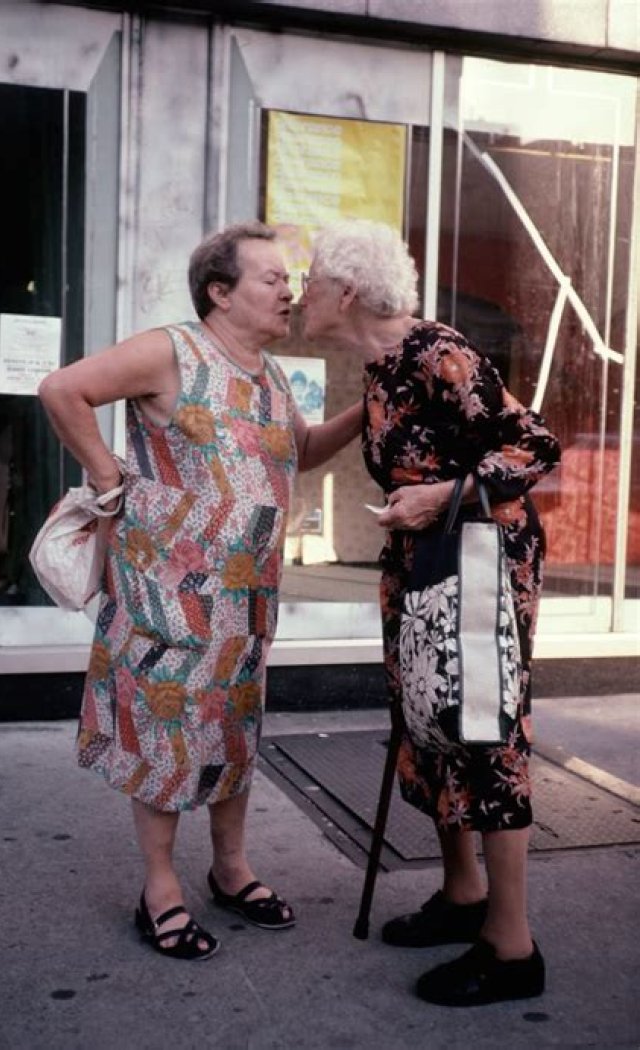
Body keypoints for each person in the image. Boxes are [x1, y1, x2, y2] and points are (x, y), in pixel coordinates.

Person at [38, 221, 362, 961]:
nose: (290, 291)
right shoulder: (171, 350)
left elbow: (301, 451)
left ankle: (230, 870)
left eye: (288, 280)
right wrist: (109, 479)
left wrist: (366, 411)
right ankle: (160, 890)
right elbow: (63, 390)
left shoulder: (271, 376)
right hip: (166, 597)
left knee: (232, 729)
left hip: (245, 600)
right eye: (272, 279)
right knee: (163, 734)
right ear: (221, 291)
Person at [299, 218, 561, 1006]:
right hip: (424, 564)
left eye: (309, 276)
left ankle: (512, 949)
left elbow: (535, 445)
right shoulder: (382, 366)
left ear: (345, 291)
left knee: (484, 732)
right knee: (431, 723)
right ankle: (462, 896)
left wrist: (440, 496)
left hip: (479, 565)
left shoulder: (439, 352)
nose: (299, 289)